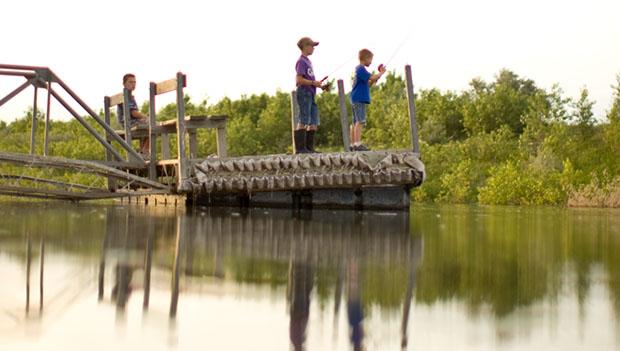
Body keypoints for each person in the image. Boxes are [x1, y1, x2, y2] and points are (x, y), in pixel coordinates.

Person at [294, 37, 329, 154]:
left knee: (313, 121)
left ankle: (309, 148)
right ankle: (300, 149)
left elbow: (309, 79)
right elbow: (299, 80)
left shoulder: (308, 61)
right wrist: (314, 83)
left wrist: (319, 85)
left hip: (311, 93)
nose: (313, 48)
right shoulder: (301, 61)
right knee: (304, 118)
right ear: (305, 47)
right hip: (304, 93)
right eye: (312, 46)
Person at [350, 49, 387, 151]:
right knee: (360, 121)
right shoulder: (361, 69)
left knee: (355, 122)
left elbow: (369, 83)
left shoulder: (360, 70)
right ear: (365, 58)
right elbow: (372, 77)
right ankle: (357, 144)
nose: (371, 62)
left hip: (356, 98)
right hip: (359, 98)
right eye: (370, 59)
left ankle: (353, 144)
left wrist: (375, 79)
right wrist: (381, 73)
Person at [118, 73, 150, 158]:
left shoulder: (130, 96)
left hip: (131, 121)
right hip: (128, 123)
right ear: (124, 84)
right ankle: (144, 151)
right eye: (130, 82)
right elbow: (133, 113)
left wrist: (143, 118)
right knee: (153, 124)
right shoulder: (125, 95)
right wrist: (145, 117)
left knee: (148, 124)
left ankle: (143, 151)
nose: (133, 84)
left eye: (134, 82)